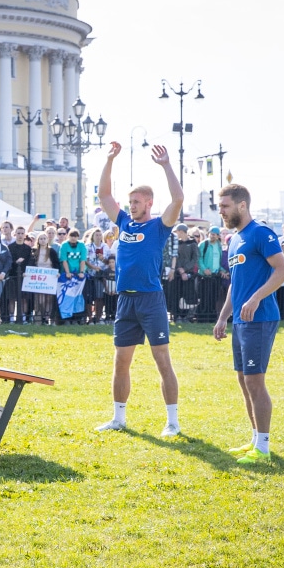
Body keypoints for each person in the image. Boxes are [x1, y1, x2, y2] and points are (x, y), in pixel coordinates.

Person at [96, 142, 184, 437]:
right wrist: (109, 160)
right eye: (130, 201)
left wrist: (166, 165)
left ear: (148, 203)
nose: (131, 206)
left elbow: (178, 198)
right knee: (121, 361)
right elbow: (104, 196)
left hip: (151, 300)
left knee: (162, 361)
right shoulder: (123, 222)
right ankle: (118, 418)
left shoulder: (159, 226)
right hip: (126, 301)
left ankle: (172, 422)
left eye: (136, 202)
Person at [213, 184, 284, 464]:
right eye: (220, 207)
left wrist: (256, 298)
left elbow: (283, 270)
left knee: (255, 382)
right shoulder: (234, 239)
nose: (221, 211)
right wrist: (223, 317)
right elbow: (235, 284)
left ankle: (264, 449)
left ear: (242, 205)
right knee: (244, 380)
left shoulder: (260, 233)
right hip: (241, 321)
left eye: (225, 206)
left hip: (260, 318)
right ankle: (256, 440)